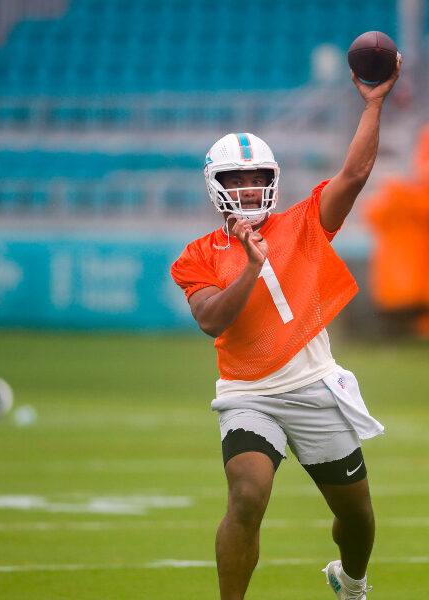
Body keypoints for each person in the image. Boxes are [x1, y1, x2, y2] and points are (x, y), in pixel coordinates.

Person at [170, 58, 401, 600]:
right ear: (216, 186)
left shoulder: (303, 223)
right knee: (247, 497)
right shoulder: (197, 256)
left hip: (314, 385)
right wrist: (251, 266)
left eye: (257, 178)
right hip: (249, 393)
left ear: (272, 181)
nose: (248, 188)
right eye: (236, 179)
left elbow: (355, 175)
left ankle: (351, 581)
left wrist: (373, 104)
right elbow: (211, 320)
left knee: (359, 518)